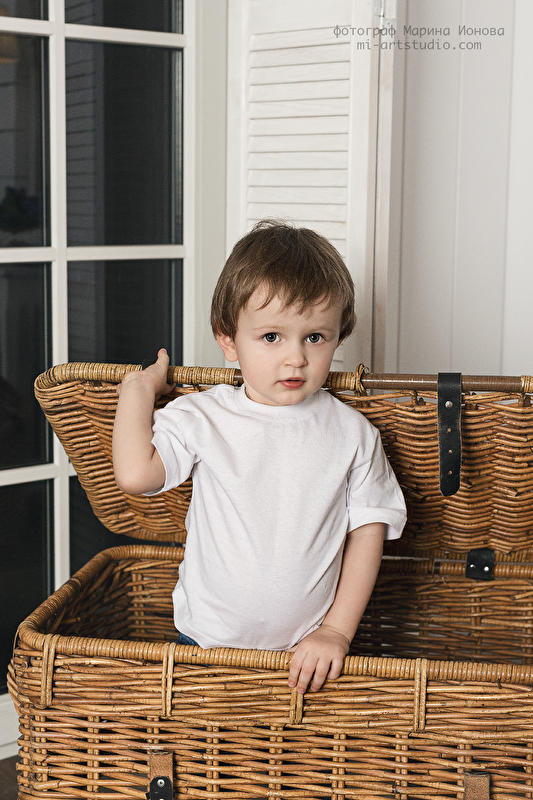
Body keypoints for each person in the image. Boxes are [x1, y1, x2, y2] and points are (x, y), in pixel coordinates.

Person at [113, 220, 406, 694]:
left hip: (307, 653)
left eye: (316, 337)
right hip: (204, 641)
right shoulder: (204, 416)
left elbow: (368, 532)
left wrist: (336, 632)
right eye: (272, 337)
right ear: (228, 340)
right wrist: (137, 391)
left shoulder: (353, 433)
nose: (296, 358)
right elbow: (135, 474)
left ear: (339, 336)